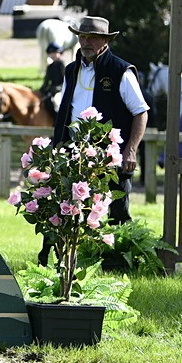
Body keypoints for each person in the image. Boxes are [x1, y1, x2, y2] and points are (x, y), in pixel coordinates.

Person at [44, 16, 149, 265]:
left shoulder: (120, 70)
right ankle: (73, 261)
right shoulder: (71, 70)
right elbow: (65, 113)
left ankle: (120, 264)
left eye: (92, 37)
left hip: (110, 155)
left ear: (105, 41)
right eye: (82, 36)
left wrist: (130, 150)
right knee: (70, 210)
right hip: (74, 154)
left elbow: (141, 112)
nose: (86, 42)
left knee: (117, 212)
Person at [39, 41, 65, 116]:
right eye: (50, 53)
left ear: (59, 53)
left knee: (56, 101)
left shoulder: (62, 65)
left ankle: (59, 118)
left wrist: (57, 88)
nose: (52, 55)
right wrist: (41, 90)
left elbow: (65, 80)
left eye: (54, 53)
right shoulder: (49, 67)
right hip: (51, 90)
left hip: (61, 90)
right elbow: (46, 81)